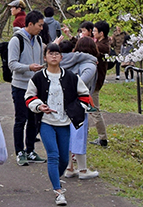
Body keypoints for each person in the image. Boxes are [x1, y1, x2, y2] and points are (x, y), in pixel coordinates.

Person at [25, 43, 92, 206]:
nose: (54, 56)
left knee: (63, 158)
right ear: (45, 57)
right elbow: (29, 97)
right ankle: (58, 190)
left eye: (57, 53)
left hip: (64, 123)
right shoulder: (38, 78)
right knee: (53, 155)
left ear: (61, 57)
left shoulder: (71, 77)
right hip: (46, 123)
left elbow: (85, 96)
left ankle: (57, 178)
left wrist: (75, 110)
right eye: (51, 53)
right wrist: (39, 106)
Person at [8, 9, 46, 166]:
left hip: (35, 87)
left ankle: (30, 150)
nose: (41, 28)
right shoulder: (16, 40)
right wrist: (29, 67)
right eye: (39, 25)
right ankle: (20, 152)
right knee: (20, 120)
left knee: (34, 120)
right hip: (20, 86)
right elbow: (12, 64)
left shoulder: (37, 40)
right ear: (30, 24)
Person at [61, 35, 100, 179]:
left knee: (68, 134)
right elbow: (81, 83)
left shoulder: (68, 60)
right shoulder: (90, 65)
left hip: (64, 101)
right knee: (79, 134)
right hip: (78, 103)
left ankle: (70, 168)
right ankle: (83, 170)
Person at [90, 20, 112, 147]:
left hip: (95, 83)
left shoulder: (102, 47)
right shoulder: (100, 43)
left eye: (95, 31)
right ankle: (102, 138)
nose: (93, 33)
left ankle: (103, 138)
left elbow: (89, 49)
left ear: (101, 33)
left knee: (95, 110)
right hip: (95, 82)